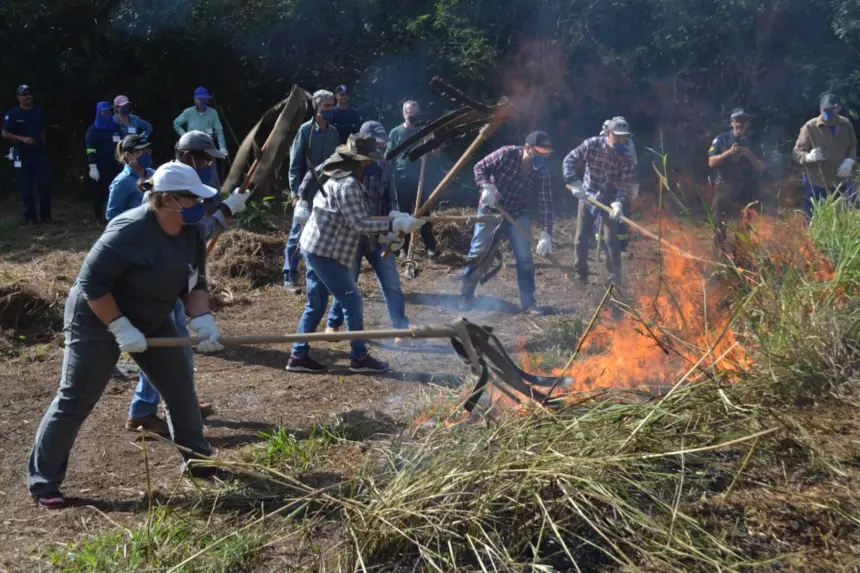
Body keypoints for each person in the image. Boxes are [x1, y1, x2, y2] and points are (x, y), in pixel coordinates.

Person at [27, 162, 225, 509]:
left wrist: (203, 319)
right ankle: (44, 482)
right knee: (77, 396)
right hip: (97, 317)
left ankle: (196, 459)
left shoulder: (191, 231)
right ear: (166, 199)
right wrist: (119, 327)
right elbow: (91, 284)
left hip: (152, 314)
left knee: (179, 386)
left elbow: (194, 282)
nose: (199, 205)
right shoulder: (130, 229)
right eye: (191, 198)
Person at [121, 130, 248, 434]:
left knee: (172, 351)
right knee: (170, 352)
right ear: (190, 156)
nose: (209, 164)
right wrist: (227, 210)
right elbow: (194, 230)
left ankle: (162, 405)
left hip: (173, 279)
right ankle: (159, 410)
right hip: (155, 284)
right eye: (205, 158)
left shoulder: (184, 185)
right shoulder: (169, 188)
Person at [286, 133, 424, 373]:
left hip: (316, 247)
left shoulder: (340, 178)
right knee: (352, 300)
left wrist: (387, 229)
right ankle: (359, 358)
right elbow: (359, 224)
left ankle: (298, 356)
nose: (373, 166)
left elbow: (354, 221)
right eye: (370, 161)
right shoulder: (348, 185)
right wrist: (394, 226)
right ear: (361, 163)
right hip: (324, 251)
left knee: (316, 304)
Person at [320, 121, 411, 338]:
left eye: (382, 146)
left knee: (392, 285)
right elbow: (313, 176)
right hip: (350, 237)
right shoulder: (344, 162)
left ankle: (400, 328)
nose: (379, 150)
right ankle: (334, 323)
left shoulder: (385, 165)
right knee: (347, 285)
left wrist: (396, 224)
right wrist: (301, 200)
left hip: (378, 236)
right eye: (376, 146)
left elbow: (391, 198)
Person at [459, 131, 554, 314]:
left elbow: (546, 202)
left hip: (518, 212)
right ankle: (466, 295)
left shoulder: (541, 171)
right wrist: (486, 187)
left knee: (524, 257)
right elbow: (480, 167)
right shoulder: (506, 154)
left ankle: (528, 303)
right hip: (491, 208)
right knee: (478, 250)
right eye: (540, 153)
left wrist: (546, 232)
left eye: (546, 154)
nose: (543, 157)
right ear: (527, 148)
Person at [564, 117, 636, 287]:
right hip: (587, 196)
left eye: (624, 137)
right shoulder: (592, 145)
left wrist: (618, 203)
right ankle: (581, 274)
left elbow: (623, 185)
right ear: (608, 133)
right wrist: (574, 182)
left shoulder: (626, 157)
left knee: (611, 239)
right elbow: (569, 160)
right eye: (617, 136)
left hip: (608, 201)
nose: (620, 140)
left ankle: (614, 277)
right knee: (581, 238)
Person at [283, 89, 340, 294]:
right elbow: (294, 164)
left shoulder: (333, 133)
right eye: (326, 106)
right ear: (316, 107)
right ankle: (289, 276)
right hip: (306, 191)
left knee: (323, 233)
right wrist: (296, 194)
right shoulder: (305, 131)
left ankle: (318, 276)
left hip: (326, 191)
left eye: (332, 105)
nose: (330, 109)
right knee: (297, 233)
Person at [707, 108, 766, 251]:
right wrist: (728, 153)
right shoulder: (721, 139)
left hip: (745, 190)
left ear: (748, 124)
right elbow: (711, 162)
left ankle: (741, 259)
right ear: (732, 123)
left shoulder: (753, 142)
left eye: (743, 121)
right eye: (737, 121)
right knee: (719, 227)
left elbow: (762, 167)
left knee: (743, 228)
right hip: (724, 188)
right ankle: (719, 259)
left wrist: (749, 154)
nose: (740, 125)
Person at [387, 101, 439, 258]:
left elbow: (436, 154)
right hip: (401, 180)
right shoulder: (396, 133)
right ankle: (403, 248)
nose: (412, 114)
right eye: (409, 112)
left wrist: (435, 143)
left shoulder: (426, 132)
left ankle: (430, 247)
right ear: (404, 113)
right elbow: (389, 156)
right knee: (403, 215)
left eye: (415, 112)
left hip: (422, 179)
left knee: (423, 214)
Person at [793, 93, 857, 216]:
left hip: (840, 180)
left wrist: (849, 161)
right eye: (823, 110)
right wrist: (808, 156)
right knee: (813, 217)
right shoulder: (810, 127)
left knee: (844, 215)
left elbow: (852, 146)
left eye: (830, 110)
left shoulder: (846, 125)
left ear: (837, 108)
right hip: (816, 182)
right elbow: (796, 152)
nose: (826, 113)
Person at [2, 85, 52, 224]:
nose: (28, 96)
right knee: (26, 187)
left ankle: (46, 216)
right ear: (19, 98)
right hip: (22, 155)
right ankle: (30, 217)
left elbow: (43, 130)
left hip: (39, 154)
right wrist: (22, 139)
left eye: (30, 93)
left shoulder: (39, 112)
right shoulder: (13, 114)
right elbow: (5, 133)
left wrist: (44, 146)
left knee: (45, 185)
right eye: (24, 94)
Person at [595, 117, 638, 253]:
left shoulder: (628, 144)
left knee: (622, 211)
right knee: (600, 215)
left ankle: (622, 243)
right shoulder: (601, 142)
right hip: (603, 186)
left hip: (623, 180)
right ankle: (602, 244)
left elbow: (631, 163)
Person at [173, 86, 228, 187]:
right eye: (200, 99)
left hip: (209, 150)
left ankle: (215, 200)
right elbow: (176, 123)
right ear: (195, 100)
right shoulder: (188, 112)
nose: (203, 101)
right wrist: (185, 136)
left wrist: (222, 148)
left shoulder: (212, 113)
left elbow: (219, 131)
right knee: (191, 178)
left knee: (212, 179)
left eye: (205, 99)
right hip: (193, 151)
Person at [85, 101, 124, 224]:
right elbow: (90, 149)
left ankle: (115, 216)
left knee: (117, 190)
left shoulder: (116, 127)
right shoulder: (93, 130)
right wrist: (92, 166)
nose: (106, 114)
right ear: (99, 113)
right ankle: (98, 217)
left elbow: (122, 144)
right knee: (100, 191)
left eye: (108, 111)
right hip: (100, 166)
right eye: (104, 112)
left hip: (116, 165)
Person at [105, 134, 154, 220]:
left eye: (147, 151)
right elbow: (111, 215)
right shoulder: (122, 182)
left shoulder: (153, 173)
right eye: (139, 152)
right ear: (128, 155)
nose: (145, 155)